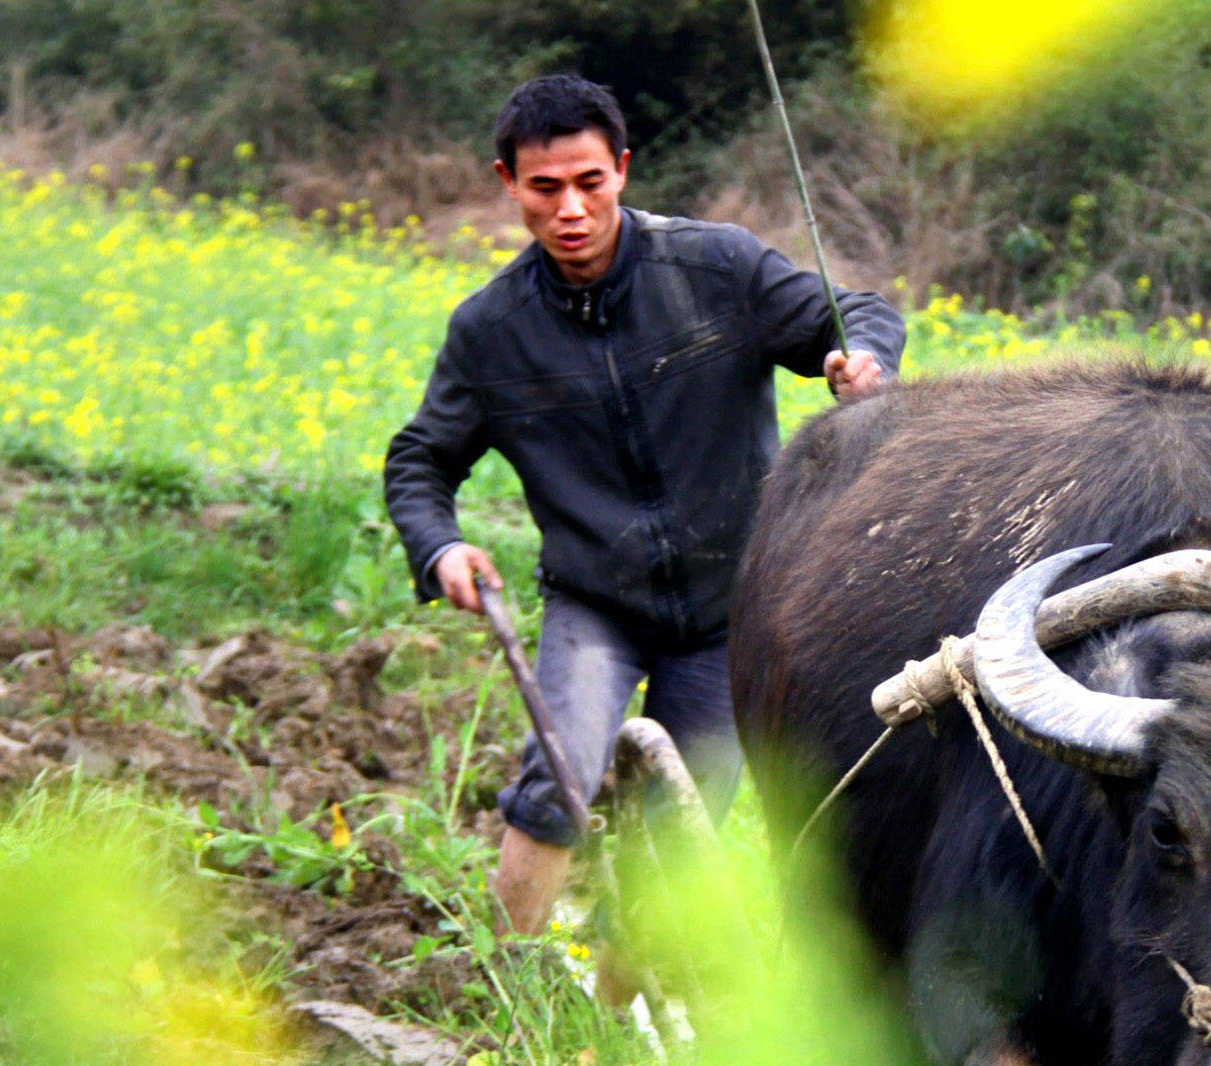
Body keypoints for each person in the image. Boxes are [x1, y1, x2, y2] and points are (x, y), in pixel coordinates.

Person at [384, 74, 904, 936]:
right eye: (545, 188)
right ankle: (511, 981)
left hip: (732, 606)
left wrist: (862, 363)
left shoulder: (715, 266)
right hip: (597, 604)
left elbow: (856, 315)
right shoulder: (490, 330)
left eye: (590, 182)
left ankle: (620, 1009)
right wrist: (440, 547)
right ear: (508, 184)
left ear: (622, 169)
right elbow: (419, 461)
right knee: (562, 769)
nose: (571, 210)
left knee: (676, 831)